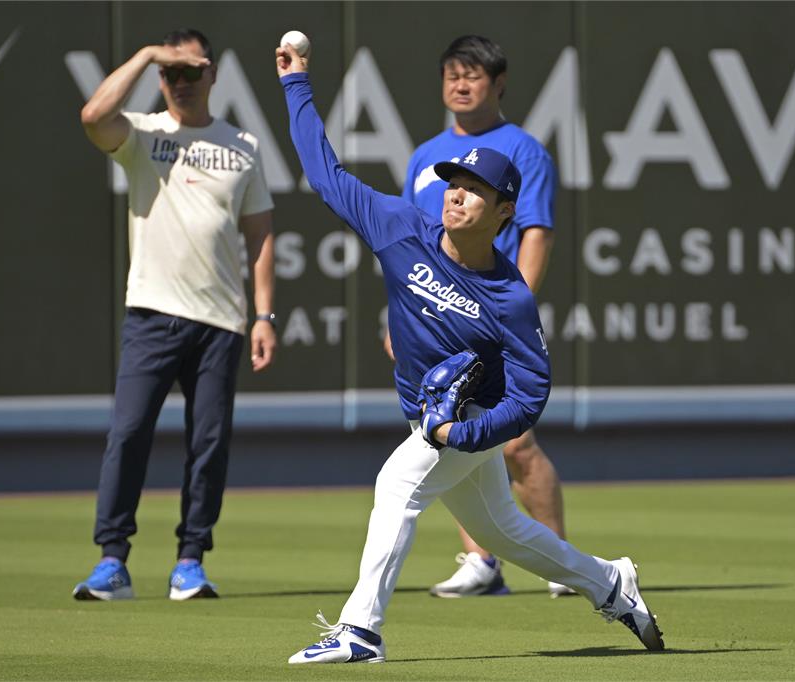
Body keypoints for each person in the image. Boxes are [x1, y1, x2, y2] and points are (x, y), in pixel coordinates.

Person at [276, 40, 664, 664]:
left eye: (475, 189)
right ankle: (609, 581)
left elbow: (531, 393)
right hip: (430, 413)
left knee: (396, 483)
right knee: (500, 532)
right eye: (454, 182)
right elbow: (325, 175)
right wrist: (297, 86)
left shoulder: (509, 297)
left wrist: (467, 432)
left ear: (504, 212)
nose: (456, 195)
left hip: (461, 422)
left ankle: (359, 632)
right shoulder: (402, 228)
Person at [72, 28, 277, 601]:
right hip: (152, 313)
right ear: (161, 77)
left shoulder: (244, 144)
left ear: (214, 74)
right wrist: (144, 57)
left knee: (208, 443)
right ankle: (112, 560)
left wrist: (266, 316)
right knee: (129, 433)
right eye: (172, 74)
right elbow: (93, 115)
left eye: (192, 72)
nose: (182, 83)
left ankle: (190, 560)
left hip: (221, 322)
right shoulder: (141, 133)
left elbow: (259, 235)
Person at [397, 34, 572, 599]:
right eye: (452, 74)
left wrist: (506, 315)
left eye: (473, 75)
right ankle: (481, 563)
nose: (460, 84)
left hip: (490, 317)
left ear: (498, 84)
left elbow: (537, 234)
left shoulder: (523, 150)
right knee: (451, 433)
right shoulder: (427, 157)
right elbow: (408, 248)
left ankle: (558, 562)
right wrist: (397, 319)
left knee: (516, 444)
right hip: (432, 319)